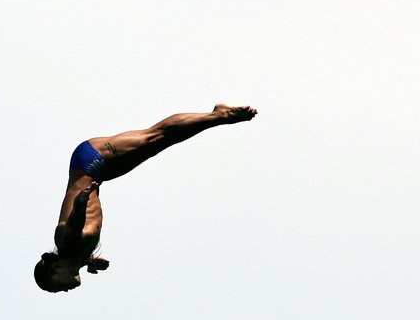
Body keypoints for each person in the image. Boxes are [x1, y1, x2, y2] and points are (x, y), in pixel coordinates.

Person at [34, 104, 257, 293]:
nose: (65, 289)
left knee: (156, 136)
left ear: (54, 270)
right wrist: (92, 261)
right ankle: (216, 116)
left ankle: (219, 115)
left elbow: (73, 225)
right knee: (158, 142)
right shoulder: (76, 258)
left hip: (92, 160)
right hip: (98, 170)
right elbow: (82, 247)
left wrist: (81, 204)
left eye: (59, 287)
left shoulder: (67, 245)